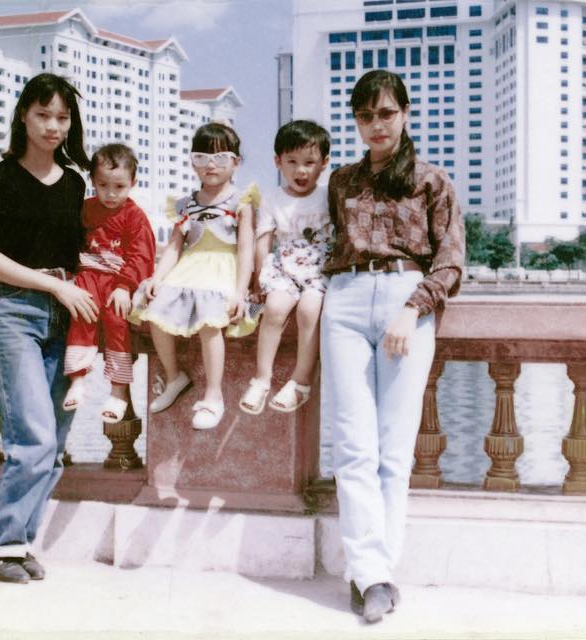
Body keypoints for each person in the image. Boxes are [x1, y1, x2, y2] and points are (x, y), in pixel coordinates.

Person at [320, 70, 465, 622]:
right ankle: (371, 575)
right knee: (352, 446)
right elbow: (327, 244)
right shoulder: (341, 181)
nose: (376, 125)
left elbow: (451, 262)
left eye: (385, 113)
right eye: (365, 116)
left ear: (405, 113)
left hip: (407, 300)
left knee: (393, 448)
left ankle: (376, 572)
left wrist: (413, 306)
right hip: (345, 300)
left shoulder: (431, 181)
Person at [0, 73, 96, 584]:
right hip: (16, 312)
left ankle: (19, 543)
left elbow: (80, 253)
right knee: (33, 437)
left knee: (54, 442)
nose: (52, 126)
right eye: (43, 114)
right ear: (24, 115)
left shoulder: (74, 183)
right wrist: (54, 287)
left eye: (62, 117)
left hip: (67, 318)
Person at [130, 122, 257, 430]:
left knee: (210, 322)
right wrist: (157, 278)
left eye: (220, 158)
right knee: (155, 310)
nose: (211, 165)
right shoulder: (186, 204)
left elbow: (245, 249)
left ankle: (214, 395)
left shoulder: (241, 201)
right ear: (192, 162)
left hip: (223, 268)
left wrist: (240, 291)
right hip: (189, 267)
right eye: (202, 157)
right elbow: (175, 246)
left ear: (236, 162)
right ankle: (174, 376)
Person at [238, 120, 331, 415]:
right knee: (275, 309)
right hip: (285, 267)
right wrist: (257, 282)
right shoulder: (273, 198)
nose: (300, 170)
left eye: (309, 162)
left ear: (324, 163)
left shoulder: (329, 195)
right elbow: (263, 241)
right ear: (277, 161)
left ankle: (301, 381)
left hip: (319, 268)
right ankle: (261, 379)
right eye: (292, 161)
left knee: (309, 311)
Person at [61, 143, 155, 423]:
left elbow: (142, 255)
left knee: (117, 323)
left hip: (117, 281)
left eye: (119, 186)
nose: (111, 194)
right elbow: (69, 240)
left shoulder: (134, 216)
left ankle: (118, 390)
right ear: (93, 181)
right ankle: (78, 379)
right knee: (81, 315)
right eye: (103, 185)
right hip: (88, 275)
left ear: (133, 183)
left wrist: (125, 286)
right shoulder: (85, 209)